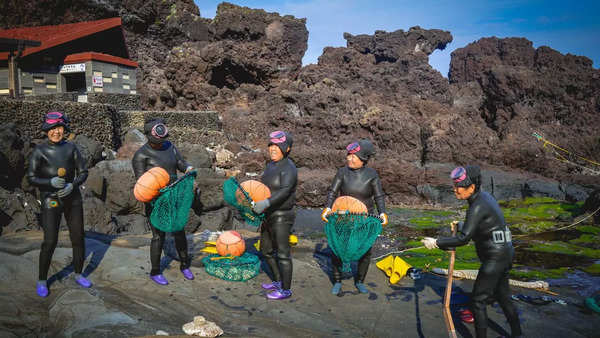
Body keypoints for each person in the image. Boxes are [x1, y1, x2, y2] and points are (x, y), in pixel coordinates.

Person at [421, 165, 522, 338]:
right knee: (504, 297)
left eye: (458, 187)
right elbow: (482, 226)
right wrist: (462, 225)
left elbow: (463, 239)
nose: (454, 190)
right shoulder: (484, 198)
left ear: (472, 187)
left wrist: (436, 242)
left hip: (494, 258)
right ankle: (517, 334)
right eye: (454, 185)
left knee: (478, 302)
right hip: (505, 253)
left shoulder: (477, 206)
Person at [27, 111, 91, 297]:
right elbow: (31, 178)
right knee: (50, 240)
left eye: (60, 128)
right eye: (53, 128)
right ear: (47, 130)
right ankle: (41, 279)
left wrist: (73, 185)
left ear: (65, 129)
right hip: (51, 200)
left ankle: (79, 273)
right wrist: (49, 183)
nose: (56, 132)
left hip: (73, 199)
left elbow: (83, 172)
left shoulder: (71, 148)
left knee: (78, 237)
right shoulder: (39, 151)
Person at [132, 118, 194, 285]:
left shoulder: (170, 147)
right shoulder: (141, 155)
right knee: (158, 236)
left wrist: (188, 167)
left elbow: (180, 163)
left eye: (163, 139)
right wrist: (158, 193)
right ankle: (155, 271)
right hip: (156, 200)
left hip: (174, 196)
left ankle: (184, 265)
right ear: (148, 136)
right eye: (158, 140)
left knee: (179, 231)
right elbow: (140, 182)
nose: (161, 143)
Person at [321, 139, 388, 295]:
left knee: (365, 251)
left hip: (364, 218)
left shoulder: (372, 175)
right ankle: (337, 281)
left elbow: (379, 196)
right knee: (338, 249)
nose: (349, 159)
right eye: (348, 155)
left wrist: (382, 212)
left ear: (363, 158)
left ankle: (359, 281)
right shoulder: (342, 172)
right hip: (343, 217)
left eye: (354, 156)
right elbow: (332, 191)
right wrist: (327, 208)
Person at [253, 131, 297, 300]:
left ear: (286, 149)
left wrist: (266, 203)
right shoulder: (270, 166)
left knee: (283, 253)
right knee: (266, 250)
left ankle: (286, 290)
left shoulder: (289, 168)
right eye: (271, 145)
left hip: (282, 216)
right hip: (268, 215)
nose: (272, 149)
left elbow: (285, 191)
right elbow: (263, 188)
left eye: (277, 146)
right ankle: (278, 280)